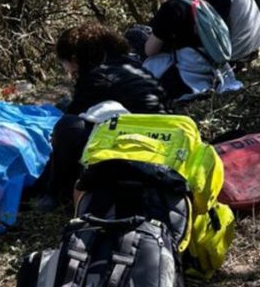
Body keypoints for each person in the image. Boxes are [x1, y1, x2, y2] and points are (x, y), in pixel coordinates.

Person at [32, 22, 168, 210]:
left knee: (68, 126)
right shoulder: (134, 67)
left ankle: (53, 194)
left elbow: (70, 123)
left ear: (74, 59)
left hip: (134, 151)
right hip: (163, 143)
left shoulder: (97, 78)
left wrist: (39, 184)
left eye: (65, 64)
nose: (67, 71)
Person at [141, 0, 241, 100]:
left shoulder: (170, 8)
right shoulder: (198, 0)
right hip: (215, 66)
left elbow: (150, 51)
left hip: (192, 71)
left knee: (140, 49)